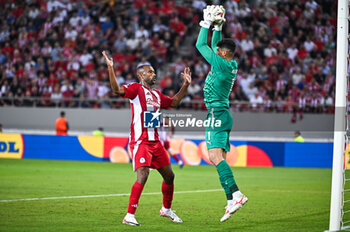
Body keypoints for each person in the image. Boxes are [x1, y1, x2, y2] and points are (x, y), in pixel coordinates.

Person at [102, 50, 191, 226]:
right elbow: (116, 89)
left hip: (156, 142)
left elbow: (174, 102)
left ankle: (166, 210)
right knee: (143, 174)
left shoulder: (157, 94)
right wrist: (111, 69)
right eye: (150, 72)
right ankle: (129, 215)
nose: (154, 74)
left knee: (170, 176)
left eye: (154, 72)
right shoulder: (135, 89)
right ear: (141, 75)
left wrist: (185, 85)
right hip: (140, 140)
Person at [195, 5, 248, 222]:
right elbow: (215, 44)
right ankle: (230, 200)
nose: (215, 52)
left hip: (217, 113)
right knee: (220, 159)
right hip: (223, 113)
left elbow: (200, 44)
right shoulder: (228, 63)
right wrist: (218, 26)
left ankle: (236, 194)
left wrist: (205, 24)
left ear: (223, 53)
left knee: (214, 157)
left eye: (218, 50)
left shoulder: (220, 62)